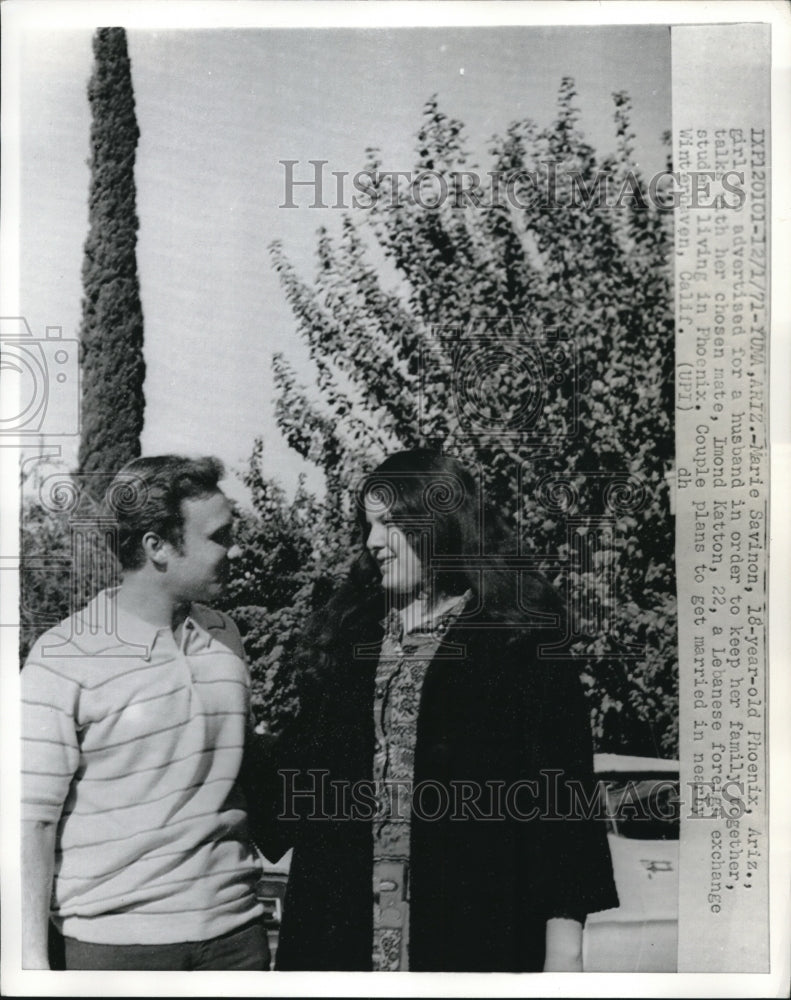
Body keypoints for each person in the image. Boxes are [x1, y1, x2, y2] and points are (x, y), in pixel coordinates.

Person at [271, 449, 619, 972]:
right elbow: (291, 778)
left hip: (473, 928)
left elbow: (562, 797)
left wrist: (564, 950)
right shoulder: (348, 638)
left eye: (389, 524)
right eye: (368, 526)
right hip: (340, 931)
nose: (371, 542)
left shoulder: (517, 636)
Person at [21, 455, 269, 971]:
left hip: (236, 935)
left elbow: (237, 776)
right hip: (114, 947)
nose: (234, 549)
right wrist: (29, 960)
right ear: (157, 546)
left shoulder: (226, 636)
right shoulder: (63, 656)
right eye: (219, 536)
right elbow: (31, 823)